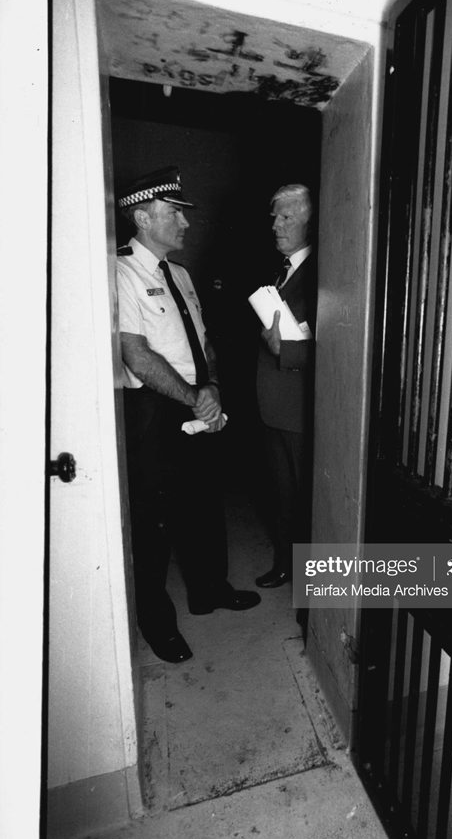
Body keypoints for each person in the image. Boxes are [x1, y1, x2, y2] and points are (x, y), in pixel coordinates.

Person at [116, 166, 260, 664]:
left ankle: (209, 589)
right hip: (156, 409)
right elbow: (136, 354)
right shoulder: (120, 273)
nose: (186, 223)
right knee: (154, 520)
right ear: (142, 217)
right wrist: (194, 397)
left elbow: (203, 343)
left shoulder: (180, 274)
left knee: (204, 500)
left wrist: (212, 386)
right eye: (174, 213)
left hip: (199, 398)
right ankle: (157, 622)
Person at [255, 184, 317, 591]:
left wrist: (286, 350)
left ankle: (310, 581)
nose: (276, 225)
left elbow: (340, 351)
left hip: (300, 409)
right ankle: (284, 564)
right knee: (281, 495)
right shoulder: (282, 268)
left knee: (303, 498)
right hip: (274, 407)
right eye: (274, 217)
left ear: (310, 221)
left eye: (286, 217)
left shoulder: (324, 271)